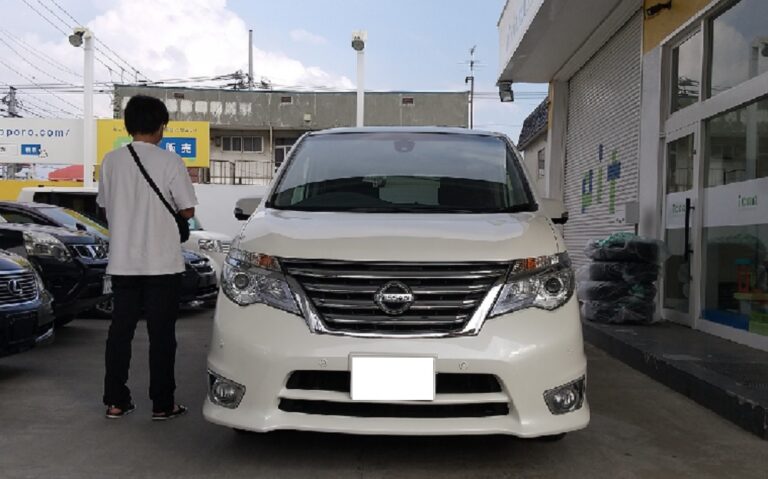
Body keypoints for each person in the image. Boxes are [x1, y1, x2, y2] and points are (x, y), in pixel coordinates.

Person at [97, 95, 197, 421]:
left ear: (129, 125)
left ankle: (116, 401)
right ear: (160, 126)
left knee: (120, 333)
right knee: (162, 336)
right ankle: (162, 404)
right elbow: (187, 210)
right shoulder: (170, 161)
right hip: (163, 264)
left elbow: (104, 206)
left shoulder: (111, 161)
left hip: (123, 263)